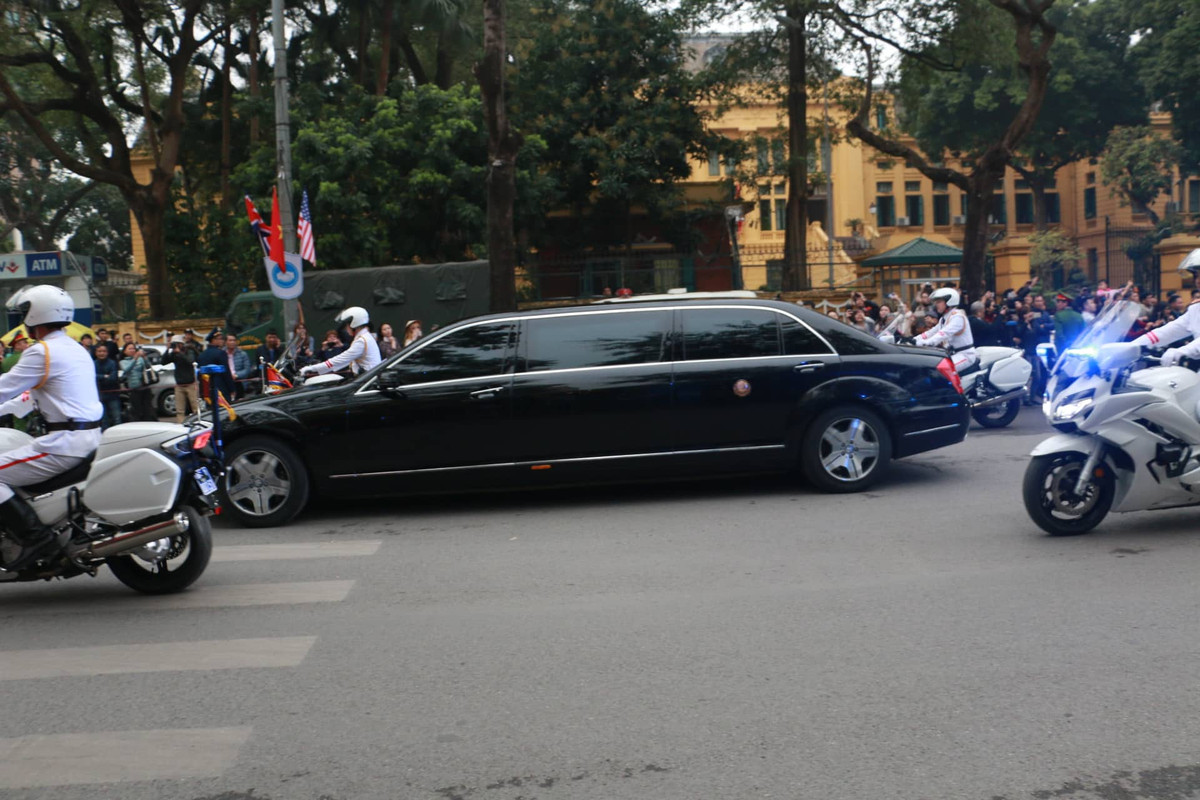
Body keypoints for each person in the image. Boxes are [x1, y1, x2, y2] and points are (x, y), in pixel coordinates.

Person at [0, 286, 103, 571]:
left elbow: (5, 387)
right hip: (89, 438)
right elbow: (26, 398)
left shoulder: (41, 352)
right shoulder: (75, 348)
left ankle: (35, 538)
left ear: (36, 314)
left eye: (25, 312)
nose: (23, 319)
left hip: (64, 443)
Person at [1133, 251, 1200, 364]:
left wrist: (1184, 351)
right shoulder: (1195, 309)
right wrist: (1132, 346)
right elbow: (1167, 332)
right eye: (1197, 275)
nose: (1198, 281)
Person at [300, 306, 381, 378]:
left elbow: (339, 360)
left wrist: (311, 368)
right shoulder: (365, 337)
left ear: (353, 323)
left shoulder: (361, 341)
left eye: (346, 325)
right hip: (367, 377)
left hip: (368, 380)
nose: (346, 329)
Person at [914, 287, 977, 371]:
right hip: (952, 354)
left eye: (939, 302)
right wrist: (914, 340)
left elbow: (943, 334)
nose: (936, 304)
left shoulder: (957, 317)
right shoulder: (944, 318)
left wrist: (926, 343)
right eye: (936, 302)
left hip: (965, 355)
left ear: (949, 302)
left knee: (940, 369)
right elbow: (931, 333)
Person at [161, 334, 199, 423]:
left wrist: (180, 353)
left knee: (195, 407)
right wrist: (167, 350)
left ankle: (198, 422)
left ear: (181, 344)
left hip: (190, 384)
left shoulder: (188, 350)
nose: (176, 346)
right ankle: (180, 424)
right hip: (179, 385)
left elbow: (190, 361)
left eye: (177, 343)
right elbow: (163, 362)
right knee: (179, 410)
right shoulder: (174, 354)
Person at [197, 330, 235, 406]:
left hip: (207, 390)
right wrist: (232, 389)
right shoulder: (221, 353)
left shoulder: (202, 355)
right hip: (221, 389)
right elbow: (226, 373)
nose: (222, 341)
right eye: (220, 339)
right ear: (213, 340)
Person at [120, 342, 153, 421]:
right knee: (136, 410)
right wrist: (135, 359)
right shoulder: (122, 362)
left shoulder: (140, 359)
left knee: (148, 410)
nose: (132, 350)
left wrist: (144, 357)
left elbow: (148, 366)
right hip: (134, 389)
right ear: (124, 351)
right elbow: (126, 370)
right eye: (130, 349)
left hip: (144, 386)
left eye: (133, 348)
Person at [94, 343, 121, 429]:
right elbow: (92, 377)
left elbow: (113, 378)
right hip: (100, 396)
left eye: (104, 351)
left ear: (107, 353)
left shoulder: (112, 363)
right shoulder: (93, 364)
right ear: (96, 353)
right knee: (104, 420)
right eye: (99, 351)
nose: (102, 353)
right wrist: (104, 376)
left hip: (113, 395)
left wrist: (100, 377)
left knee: (117, 418)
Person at [225, 334, 254, 399]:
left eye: (234, 340)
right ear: (226, 342)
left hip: (239, 383)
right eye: (230, 340)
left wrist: (236, 375)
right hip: (226, 383)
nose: (232, 342)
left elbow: (247, 370)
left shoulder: (242, 354)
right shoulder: (222, 354)